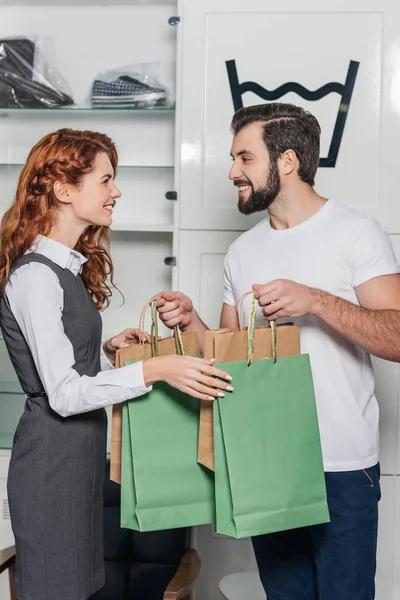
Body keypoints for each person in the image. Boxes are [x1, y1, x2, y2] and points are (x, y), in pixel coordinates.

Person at [155, 102, 400, 600]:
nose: (232, 172)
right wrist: (192, 321)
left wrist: (315, 301)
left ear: (286, 161)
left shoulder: (357, 232)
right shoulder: (243, 251)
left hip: (342, 466)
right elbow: (228, 357)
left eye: (244, 158)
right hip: (267, 462)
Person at [0, 128, 233, 600]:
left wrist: (108, 357)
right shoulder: (35, 278)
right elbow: (63, 395)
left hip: (77, 461)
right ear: (65, 190)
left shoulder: (66, 270)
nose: (116, 191)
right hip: (50, 467)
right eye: (105, 181)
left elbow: (70, 376)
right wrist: (156, 370)